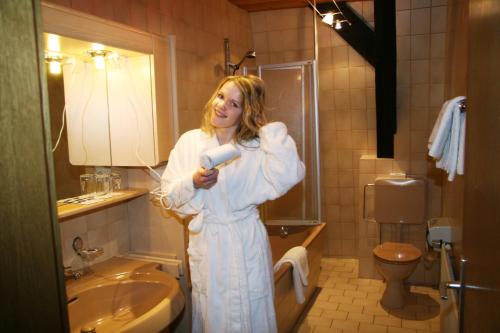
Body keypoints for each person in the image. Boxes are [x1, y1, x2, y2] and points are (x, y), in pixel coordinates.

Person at [161, 75, 305, 333]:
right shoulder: (190, 142)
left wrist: (267, 130)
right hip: (209, 246)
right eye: (220, 96)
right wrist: (193, 182)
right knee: (213, 317)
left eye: (234, 104)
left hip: (245, 241)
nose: (222, 106)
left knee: (251, 311)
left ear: (245, 112)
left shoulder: (255, 146)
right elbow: (168, 197)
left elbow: (289, 174)